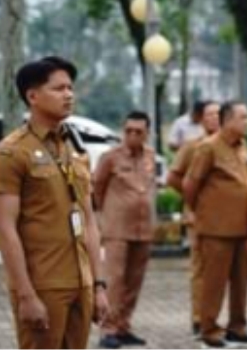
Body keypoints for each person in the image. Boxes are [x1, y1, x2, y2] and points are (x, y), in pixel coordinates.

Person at [0, 57, 109, 349]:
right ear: (32, 96)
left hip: (82, 284)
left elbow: (90, 222)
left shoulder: (74, 148)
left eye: (70, 88)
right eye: (58, 89)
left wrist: (98, 285)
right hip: (43, 285)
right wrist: (26, 295)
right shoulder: (11, 153)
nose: (69, 95)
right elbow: (6, 230)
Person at [184, 101, 247, 348]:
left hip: (243, 227)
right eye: (243, 117)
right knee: (214, 282)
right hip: (216, 229)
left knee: (242, 281)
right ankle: (209, 330)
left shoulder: (243, 146)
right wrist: (202, 213)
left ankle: (237, 327)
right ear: (227, 120)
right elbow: (190, 185)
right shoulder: (208, 148)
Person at [94, 111, 156, 348]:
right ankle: (108, 330)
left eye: (138, 132)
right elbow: (97, 189)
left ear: (148, 133)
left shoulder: (150, 156)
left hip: (143, 229)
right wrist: (104, 217)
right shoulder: (110, 158)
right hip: (117, 229)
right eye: (128, 131)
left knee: (134, 281)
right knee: (115, 281)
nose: (132, 135)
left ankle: (123, 327)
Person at [166, 101, 220, 336]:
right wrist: (194, 198)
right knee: (200, 269)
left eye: (218, 115)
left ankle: (215, 316)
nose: (213, 119)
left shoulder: (232, 146)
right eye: (208, 115)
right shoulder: (191, 146)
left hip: (225, 219)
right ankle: (198, 317)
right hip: (198, 216)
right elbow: (173, 178)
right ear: (201, 119)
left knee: (221, 270)